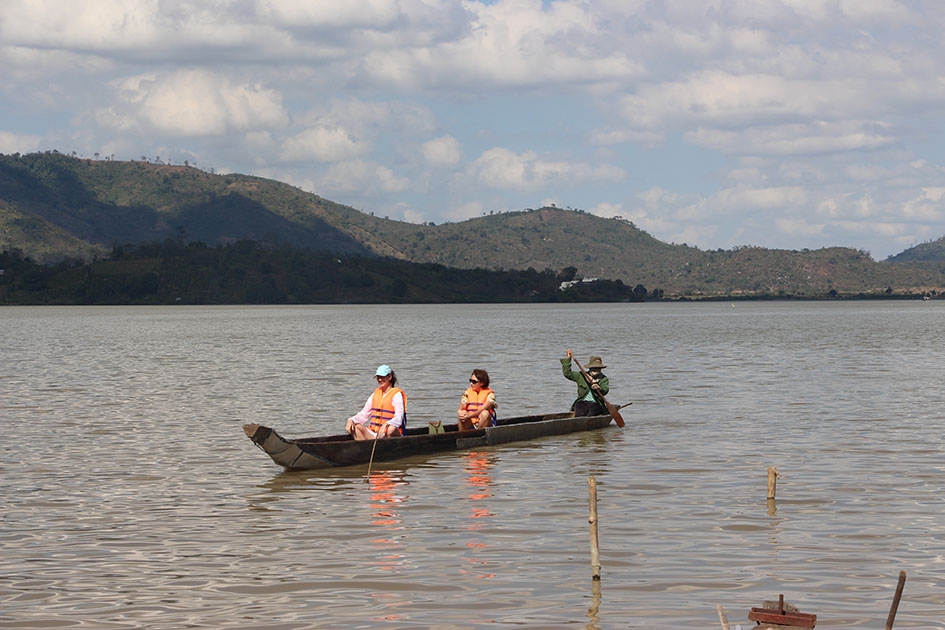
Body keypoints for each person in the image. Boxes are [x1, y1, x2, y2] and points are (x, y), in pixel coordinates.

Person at [345, 365, 407, 440]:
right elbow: (363, 415)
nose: (380, 380)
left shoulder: (397, 395)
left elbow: (399, 417)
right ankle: (365, 448)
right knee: (356, 427)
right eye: (378, 377)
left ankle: (386, 447)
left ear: (389, 377)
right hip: (374, 434)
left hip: (388, 433)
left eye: (383, 377)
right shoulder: (375, 394)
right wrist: (351, 420)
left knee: (391, 429)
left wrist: (386, 424)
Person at [561, 349, 609, 417]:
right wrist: (568, 359)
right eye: (594, 368)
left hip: (596, 403)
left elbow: (605, 389)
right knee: (579, 411)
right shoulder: (581, 376)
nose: (596, 371)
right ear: (590, 368)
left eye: (598, 369)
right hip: (582, 402)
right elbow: (567, 374)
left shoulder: (603, 379)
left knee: (591, 413)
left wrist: (599, 388)